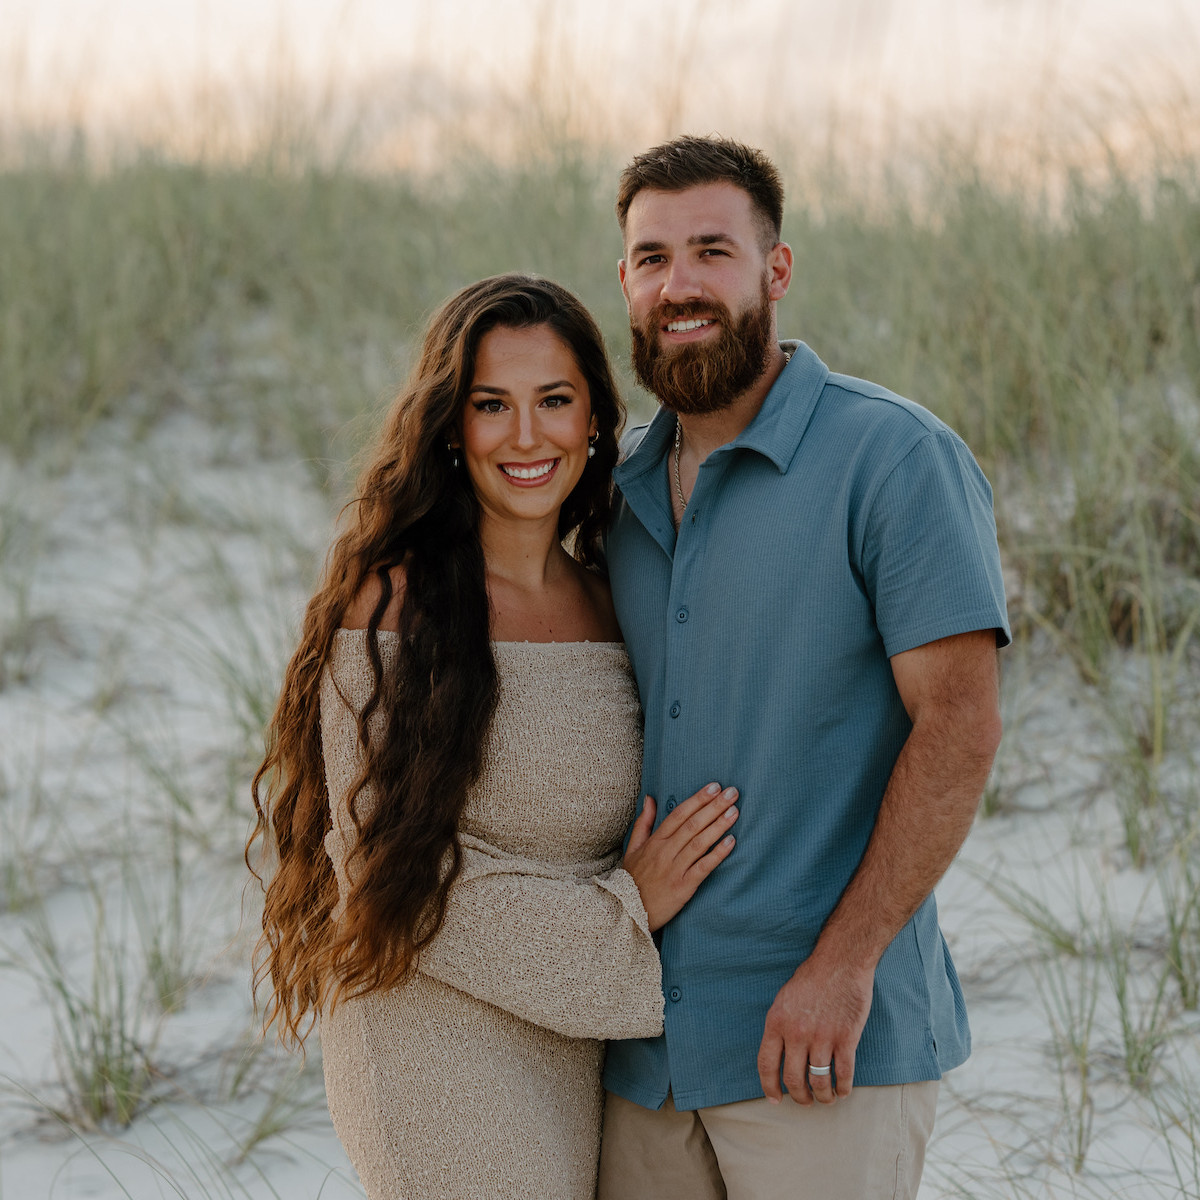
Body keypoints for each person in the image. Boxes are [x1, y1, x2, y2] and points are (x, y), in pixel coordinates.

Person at [246, 274, 743, 1200]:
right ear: (449, 426)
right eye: (491, 405)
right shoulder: (398, 604)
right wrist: (626, 905)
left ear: (596, 416)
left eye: (554, 400)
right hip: (431, 1039)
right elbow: (388, 874)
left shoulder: (608, 596)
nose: (527, 435)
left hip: (574, 1035)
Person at [597, 135, 1010, 1200]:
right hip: (643, 1055)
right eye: (651, 259)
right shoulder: (619, 493)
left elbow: (959, 728)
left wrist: (843, 966)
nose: (679, 285)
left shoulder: (892, 458)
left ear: (775, 272)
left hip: (822, 1043)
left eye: (711, 252)